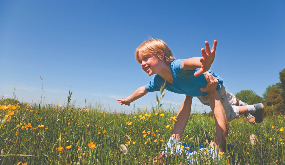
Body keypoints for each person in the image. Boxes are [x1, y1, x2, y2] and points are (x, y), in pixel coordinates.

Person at [117, 38, 264, 152]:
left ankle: (251, 108)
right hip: (205, 92)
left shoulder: (176, 67)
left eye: (145, 59)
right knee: (229, 99)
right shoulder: (159, 80)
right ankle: (241, 104)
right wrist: (129, 99)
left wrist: (204, 63)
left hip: (211, 89)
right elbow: (142, 89)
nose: (142, 64)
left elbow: (190, 62)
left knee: (228, 115)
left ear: (161, 55)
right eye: (140, 61)